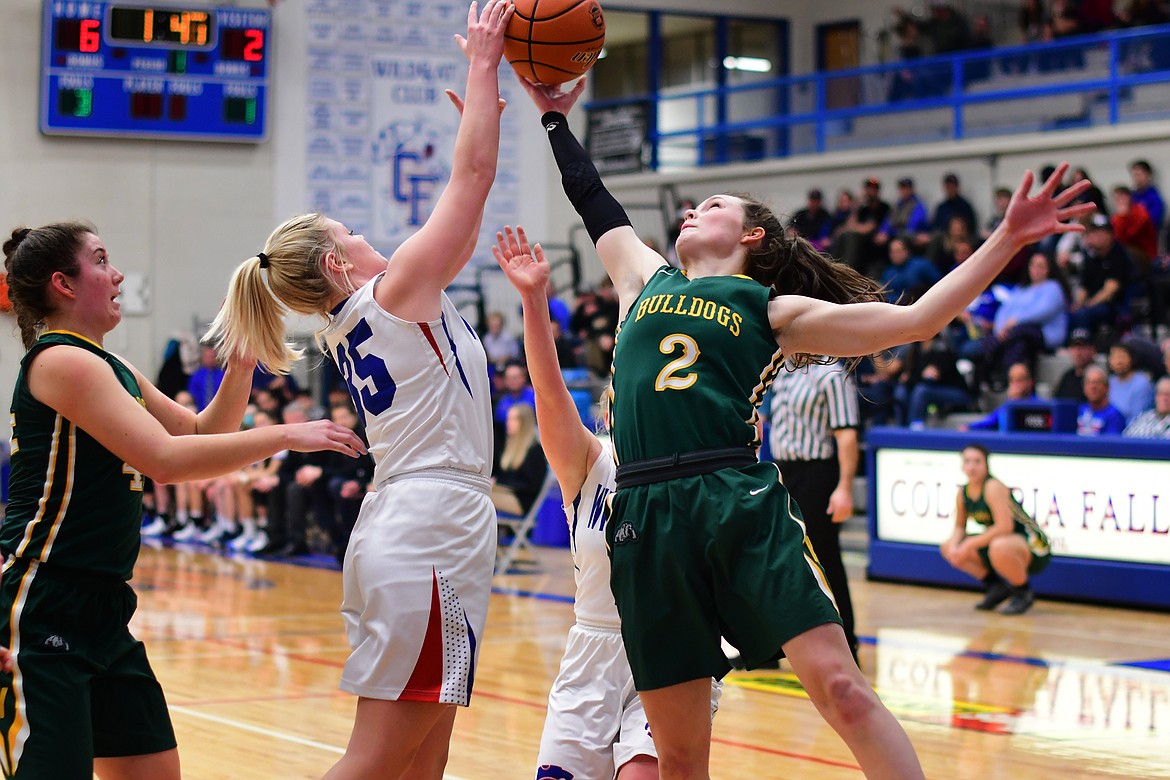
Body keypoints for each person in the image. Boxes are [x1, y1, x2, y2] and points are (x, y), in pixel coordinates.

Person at [520, 73, 1093, 779]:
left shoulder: (773, 310)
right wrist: (553, 120)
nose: (695, 209)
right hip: (643, 513)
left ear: (752, 234)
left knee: (843, 688)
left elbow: (917, 321)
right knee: (677, 755)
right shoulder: (644, 278)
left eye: (714, 204)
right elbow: (592, 197)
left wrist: (1006, 237)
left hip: (737, 497)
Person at [204, 3, 513, 777]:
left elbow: (468, 215)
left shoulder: (380, 306)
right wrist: (482, 67)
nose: (372, 238)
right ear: (340, 266)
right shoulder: (393, 293)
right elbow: (468, 183)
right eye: (354, 234)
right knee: (376, 761)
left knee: (423, 755)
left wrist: (486, 117)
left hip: (419, 523)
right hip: (429, 527)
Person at [0, 221, 365, 780]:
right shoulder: (60, 361)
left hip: (102, 606)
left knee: (154, 771)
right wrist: (288, 436)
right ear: (64, 284)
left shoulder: (108, 364)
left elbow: (199, 433)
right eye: (101, 261)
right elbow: (166, 462)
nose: (117, 273)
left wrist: (239, 363)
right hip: (44, 599)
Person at [492, 226, 720, 779]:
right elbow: (548, 392)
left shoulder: (703, 463)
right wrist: (532, 299)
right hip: (590, 652)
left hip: (672, 651)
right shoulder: (591, 462)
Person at [767, 358, 861, 661]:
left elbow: (847, 436)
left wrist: (844, 487)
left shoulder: (834, 374)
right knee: (780, 559)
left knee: (824, 559)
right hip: (783, 471)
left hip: (817, 473)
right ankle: (779, 644)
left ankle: (847, 644)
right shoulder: (781, 372)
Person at [940, 444, 1051, 616]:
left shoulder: (993, 486)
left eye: (977, 462)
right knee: (948, 547)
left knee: (998, 546)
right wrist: (955, 547)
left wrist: (969, 544)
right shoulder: (963, 492)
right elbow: (960, 526)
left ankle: (1022, 592)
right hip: (1003, 540)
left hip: (1034, 543)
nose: (972, 466)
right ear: (962, 465)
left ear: (986, 465)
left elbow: (1005, 527)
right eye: (968, 461)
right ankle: (996, 587)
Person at [490, 402, 547, 517]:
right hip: (509, 494)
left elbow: (529, 485)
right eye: (508, 419)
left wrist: (499, 484)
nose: (508, 423)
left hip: (522, 501)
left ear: (524, 422)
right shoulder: (511, 445)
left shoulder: (534, 450)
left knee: (478, 496)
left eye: (513, 419)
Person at [960, 362, 1037, 432]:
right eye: (1012, 380)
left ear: (1030, 382)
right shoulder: (1007, 407)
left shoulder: (1040, 407)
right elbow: (989, 422)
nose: (1016, 386)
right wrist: (969, 427)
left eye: (1020, 380)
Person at [1107, 341, 1155, 422]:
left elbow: (1137, 418)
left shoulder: (1142, 383)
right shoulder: (1110, 381)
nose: (1118, 362)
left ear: (1132, 359)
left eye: (1122, 357)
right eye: (1114, 357)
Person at [1076, 365, 1127, 435]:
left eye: (1097, 382)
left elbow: (1111, 444)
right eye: (1089, 382)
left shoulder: (1114, 415)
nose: (1093, 387)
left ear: (1107, 387)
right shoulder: (1080, 410)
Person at [1053, 327, 1097, 402]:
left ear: (1092, 350)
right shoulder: (1067, 376)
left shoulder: (1097, 377)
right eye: (1074, 347)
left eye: (1082, 347)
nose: (1078, 352)